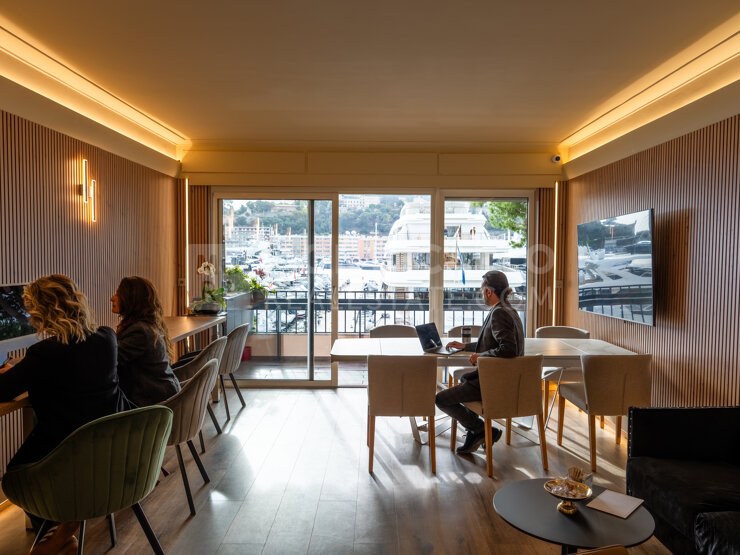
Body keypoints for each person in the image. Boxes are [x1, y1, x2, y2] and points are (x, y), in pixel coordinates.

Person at [0, 274, 132, 554]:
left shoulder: (43, 354)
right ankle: (60, 531)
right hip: (112, 452)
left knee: (17, 475)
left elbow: (4, 390)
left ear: (42, 312)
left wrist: (16, 372)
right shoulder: (107, 338)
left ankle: (58, 530)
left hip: (67, 455)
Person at [435, 270, 524, 454]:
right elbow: (495, 344)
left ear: (489, 292)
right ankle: (476, 432)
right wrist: (465, 346)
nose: (480, 293)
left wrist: (481, 356)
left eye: (481, 289)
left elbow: (509, 349)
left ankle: (480, 430)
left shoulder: (499, 314)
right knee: (464, 381)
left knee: (441, 399)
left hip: (493, 383)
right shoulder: (509, 310)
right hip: (507, 381)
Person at [111, 276, 180, 407]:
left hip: (155, 405)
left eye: (118, 294)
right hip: (163, 396)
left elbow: (112, 360)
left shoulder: (140, 332)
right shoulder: (147, 326)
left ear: (131, 299)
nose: (112, 298)